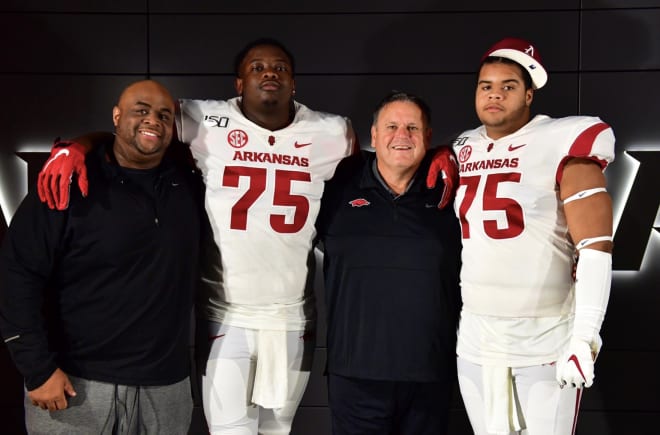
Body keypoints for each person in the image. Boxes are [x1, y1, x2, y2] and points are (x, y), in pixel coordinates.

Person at [35, 38, 357, 435]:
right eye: (257, 68)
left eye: (280, 68)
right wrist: (78, 147)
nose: (269, 73)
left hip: (292, 316)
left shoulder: (332, 132)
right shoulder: (203, 118)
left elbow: (386, 166)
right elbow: (140, 131)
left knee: (278, 432)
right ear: (239, 84)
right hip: (225, 313)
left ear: (294, 82)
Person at [0, 79, 207, 434]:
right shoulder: (66, 182)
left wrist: (82, 142)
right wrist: (37, 368)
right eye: (140, 110)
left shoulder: (191, 183)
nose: (152, 120)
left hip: (166, 386)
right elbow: (18, 274)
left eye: (163, 115)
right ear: (116, 115)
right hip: (75, 383)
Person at [432, 37, 615, 434]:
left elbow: (597, 248)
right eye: (486, 86)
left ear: (530, 94)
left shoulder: (563, 139)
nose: (494, 95)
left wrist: (585, 337)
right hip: (478, 337)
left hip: (545, 337)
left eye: (508, 86)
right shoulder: (464, 146)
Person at [316, 91, 462, 435]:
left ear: (427, 137)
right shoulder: (336, 185)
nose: (402, 135)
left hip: (429, 376)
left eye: (413, 127)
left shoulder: (451, 191)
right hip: (355, 376)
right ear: (375, 134)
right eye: (392, 126)